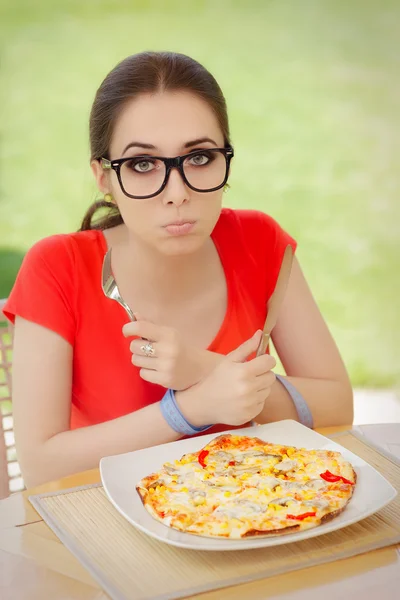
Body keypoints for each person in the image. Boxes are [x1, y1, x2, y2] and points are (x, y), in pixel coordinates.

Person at [3, 51, 353, 487]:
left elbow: (338, 405)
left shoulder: (259, 242)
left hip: (251, 515)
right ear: (104, 176)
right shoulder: (58, 266)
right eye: (142, 165)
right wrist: (187, 409)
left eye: (200, 157)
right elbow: (41, 463)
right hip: (107, 530)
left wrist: (202, 369)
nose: (177, 192)